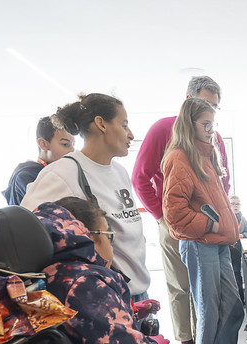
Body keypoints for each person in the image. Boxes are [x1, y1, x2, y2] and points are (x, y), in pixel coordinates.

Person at [34, 198, 237, 344]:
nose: (112, 244)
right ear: (91, 237)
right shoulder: (85, 286)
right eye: (109, 235)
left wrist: (126, 311)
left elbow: (89, 331)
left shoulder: (52, 276)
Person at [131, 76, 231, 344]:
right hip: (174, 220)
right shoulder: (163, 128)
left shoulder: (215, 137)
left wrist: (220, 214)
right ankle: (188, 343)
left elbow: (223, 179)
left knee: (209, 289)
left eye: (215, 107)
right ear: (188, 100)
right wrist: (161, 216)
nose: (210, 111)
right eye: (205, 103)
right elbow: (140, 177)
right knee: (179, 285)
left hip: (208, 223)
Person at [21, 93, 151, 300]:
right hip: (106, 295)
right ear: (101, 124)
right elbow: (25, 230)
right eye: (124, 125)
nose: (131, 134)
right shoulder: (64, 172)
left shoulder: (119, 172)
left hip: (138, 292)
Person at [162, 98, 244, 344]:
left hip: (217, 244)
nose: (211, 130)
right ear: (189, 124)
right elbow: (175, 215)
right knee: (210, 314)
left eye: (213, 124)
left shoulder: (206, 155)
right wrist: (213, 225)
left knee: (232, 306)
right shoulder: (179, 157)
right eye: (205, 124)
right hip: (200, 244)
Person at [2, 115, 74, 205]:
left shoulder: (66, 171)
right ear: (43, 144)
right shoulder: (26, 176)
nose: (72, 150)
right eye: (65, 144)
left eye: (73, 144)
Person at [228, 195, 247, 303]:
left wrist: (242, 235)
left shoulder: (243, 219)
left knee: (237, 273)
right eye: (232, 203)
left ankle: (241, 299)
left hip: (237, 250)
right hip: (226, 249)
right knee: (227, 275)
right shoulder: (225, 217)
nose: (235, 206)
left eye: (237, 204)